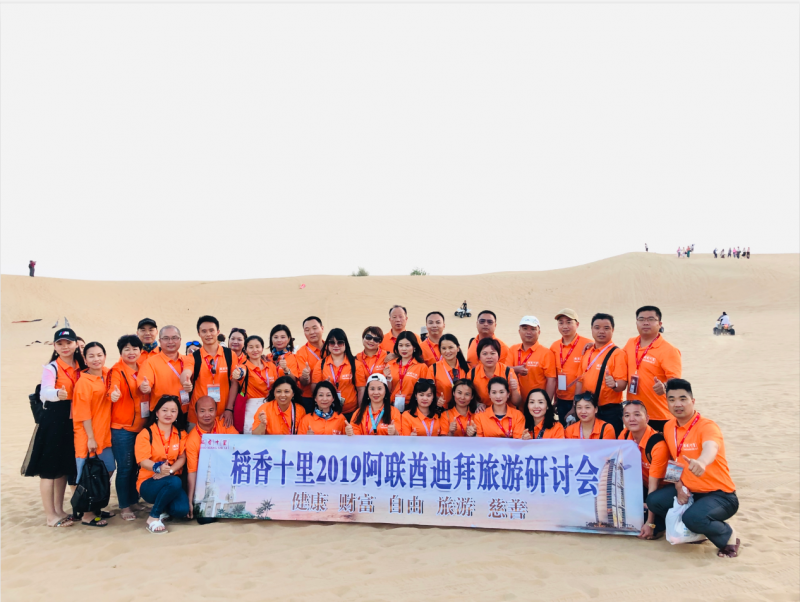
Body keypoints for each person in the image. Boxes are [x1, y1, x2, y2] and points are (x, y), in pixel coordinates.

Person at [646, 379, 740, 558]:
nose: (677, 404)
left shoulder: (707, 426)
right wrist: (677, 485)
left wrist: (702, 462)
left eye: (683, 399)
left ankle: (728, 536)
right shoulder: (669, 427)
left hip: (720, 495)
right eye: (672, 399)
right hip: (690, 492)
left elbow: (711, 447)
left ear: (693, 401)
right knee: (654, 501)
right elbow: (674, 460)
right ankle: (696, 529)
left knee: (693, 518)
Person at [23, 328, 85, 527]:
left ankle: (59, 510)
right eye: (60, 343)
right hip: (53, 422)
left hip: (72, 422)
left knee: (63, 469)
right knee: (49, 471)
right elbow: (45, 392)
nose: (65, 347)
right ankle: (51, 516)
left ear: (76, 344)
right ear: (54, 346)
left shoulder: (81, 366)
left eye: (69, 343)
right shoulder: (52, 368)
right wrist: (57, 394)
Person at [72, 341, 116, 526]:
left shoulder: (107, 374)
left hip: (105, 435)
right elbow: (83, 413)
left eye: (99, 355)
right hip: (88, 436)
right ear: (85, 359)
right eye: (91, 356)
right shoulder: (84, 382)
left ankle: (96, 506)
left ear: (105, 356)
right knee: (89, 475)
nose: (96, 359)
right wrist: (90, 438)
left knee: (108, 469)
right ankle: (87, 514)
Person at [134, 395, 189, 534]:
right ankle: (153, 517)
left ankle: (163, 508)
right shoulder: (146, 433)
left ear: (177, 414)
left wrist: (169, 471)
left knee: (181, 510)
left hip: (170, 478)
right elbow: (142, 460)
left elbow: (182, 457)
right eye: (164, 410)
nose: (168, 414)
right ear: (157, 412)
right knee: (175, 482)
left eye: (173, 411)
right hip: (149, 482)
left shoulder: (181, 434)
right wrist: (157, 468)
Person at [623, 306, 682, 431]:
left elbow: (676, 381)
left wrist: (665, 386)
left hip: (660, 415)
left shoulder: (669, 350)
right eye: (641, 319)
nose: (645, 323)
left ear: (660, 324)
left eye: (651, 319)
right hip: (634, 414)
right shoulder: (631, 343)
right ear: (636, 323)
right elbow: (617, 357)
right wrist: (595, 346)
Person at [109, 334, 147, 521]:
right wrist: (113, 394)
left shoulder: (143, 367)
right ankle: (124, 506)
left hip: (141, 427)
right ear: (121, 352)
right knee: (124, 468)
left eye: (135, 349)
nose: (131, 352)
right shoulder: (117, 370)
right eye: (126, 349)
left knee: (135, 467)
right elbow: (113, 388)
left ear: (140, 351)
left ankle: (133, 500)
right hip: (122, 428)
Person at [618, 399, 669, 540]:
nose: (631, 419)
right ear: (623, 419)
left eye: (637, 414)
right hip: (642, 484)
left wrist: (650, 523)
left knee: (650, 519)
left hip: (663, 488)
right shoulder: (624, 435)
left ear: (647, 418)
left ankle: (658, 523)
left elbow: (654, 485)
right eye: (627, 415)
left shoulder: (657, 444)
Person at [573, 313, 628, 436]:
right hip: (588, 409)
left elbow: (622, 384)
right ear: (592, 329)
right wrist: (575, 405)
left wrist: (614, 384)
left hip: (609, 411)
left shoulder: (618, 354)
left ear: (613, 330)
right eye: (597, 327)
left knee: (611, 444)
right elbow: (580, 380)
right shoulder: (588, 352)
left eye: (606, 328)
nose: (601, 331)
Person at [185, 395, 238, 520]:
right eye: (202, 411)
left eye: (211, 410)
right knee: (204, 519)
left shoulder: (224, 424)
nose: (207, 415)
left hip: (227, 474)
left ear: (216, 411)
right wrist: (190, 500)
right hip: (206, 483)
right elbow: (192, 472)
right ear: (196, 413)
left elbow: (238, 445)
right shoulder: (192, 439)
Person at [188, 315, 241, 429]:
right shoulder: (193, 357)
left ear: (218, 332)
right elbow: (186, 373)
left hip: (223, 416)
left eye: (211, 330)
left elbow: (234, 383)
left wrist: (229, 409)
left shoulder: (230, 355)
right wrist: (185, 380)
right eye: (204, 331)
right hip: (197, 417)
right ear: (199, 334)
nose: (208, 334)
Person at [139, 325, 195, 419]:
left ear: (180, 340)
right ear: (160, 341)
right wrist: (145, 387)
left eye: (174, 338)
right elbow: (145, 385)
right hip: (161, 414)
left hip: (184, 412)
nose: (170, 342)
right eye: (166, 338)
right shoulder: (150, 362)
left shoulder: (187, 360)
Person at [550, 309, 593, 426]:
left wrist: (595, 345)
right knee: (564, 431)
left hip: (583, 400)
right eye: (561, 322)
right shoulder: (554, 346)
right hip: (562, 399)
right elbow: (554, 375)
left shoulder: (588, 344)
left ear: (577, 324)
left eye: (569, 322)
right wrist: (556, 400)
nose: (565, 326)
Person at [233, 335, 278, 433]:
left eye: (257, 346)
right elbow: (241, 372)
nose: (255, 350)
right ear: (245, 349)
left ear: (262, 348)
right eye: (251, 347)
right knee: (252, 436)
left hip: (271, 405)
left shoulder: (271, 366)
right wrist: (238, 374)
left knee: (270, 434)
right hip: (252, 407)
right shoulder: (244, 366)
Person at [311, 329, 358, 419]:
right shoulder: (320, 364)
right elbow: (314, 389)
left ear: (345, 344)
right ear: (328, 345)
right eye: (332, 342)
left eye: (340, 342)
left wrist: (360, 411)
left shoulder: (356, 364)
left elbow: (361, 390)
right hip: (328, 412)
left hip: (351, 412)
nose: (336, 345)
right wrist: (324, 385)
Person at [507, 316, 556, 401]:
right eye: (525, 329)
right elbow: (504, 370)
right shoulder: (512, 349)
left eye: (533, 329)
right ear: (519, 331)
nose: (529, 332)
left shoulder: (546, 353)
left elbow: (551, 380)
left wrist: (547, 403)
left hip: (536, 404)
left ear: (539, 332)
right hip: (514, 402)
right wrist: (516, 369)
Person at [469, 338, 521, 407]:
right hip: (483, 412)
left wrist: (514, 390)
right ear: (479, 357)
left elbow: (517, 402)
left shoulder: (508, 372)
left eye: (492, 353)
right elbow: (468, 396)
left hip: (505, 411)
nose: (489, 357)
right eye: (485, 354)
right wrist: (477, 404)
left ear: (498, 355)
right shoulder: (472, 373)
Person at [383, 331, 429, 407]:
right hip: (392, 405)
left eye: (407, 345)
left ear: (414, 347)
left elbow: (425, 391)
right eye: (400, 345)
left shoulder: (422, 367)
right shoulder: (390, 364)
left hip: (412, 406)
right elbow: (385, 390)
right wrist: (388, 379)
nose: (404, 349)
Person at [430, 333, 471, 407]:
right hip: (443, 409)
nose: (447, 351)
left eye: (450, 347)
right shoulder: (433, 369)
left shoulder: (467, 368)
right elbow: (428, 392)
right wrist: (436, 399)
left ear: (458, 348)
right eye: (444, 348)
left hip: (464, 409)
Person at [355, 326, 389, 405]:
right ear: (363, 338)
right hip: (364, 397)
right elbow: (360, 388)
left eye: (376, 339)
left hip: (382, 398)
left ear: (380, 342)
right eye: (368, 337)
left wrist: (395, 355)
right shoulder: (356, 358)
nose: (371, 341)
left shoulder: (387, 356)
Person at [296, 316, 325, 409]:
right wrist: (306, 376)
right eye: (307, 330)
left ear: (322, 328)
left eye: (314, 328)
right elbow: (303, 382)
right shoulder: (301, 353)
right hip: (309, 398)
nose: (311, 332)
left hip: (331, 396)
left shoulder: (332, 347)